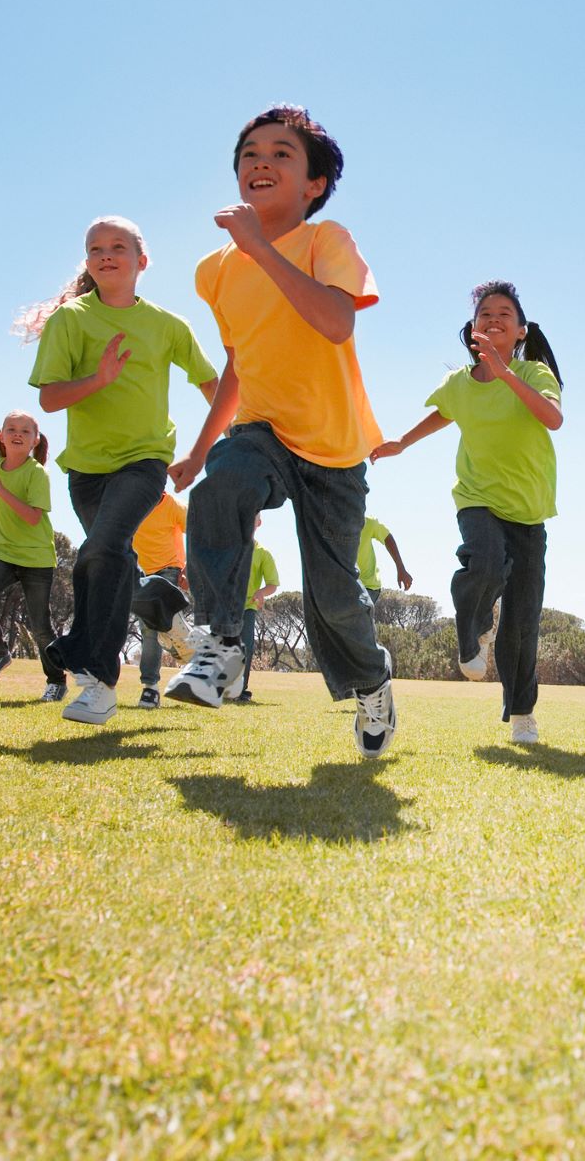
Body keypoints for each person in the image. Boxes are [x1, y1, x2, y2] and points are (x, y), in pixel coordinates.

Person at [167, 105, 397, 757]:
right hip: (261, 426)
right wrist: (198, 449)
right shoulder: (214, 272)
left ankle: (371, 681)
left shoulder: (328, 241)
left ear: (314, 185)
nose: (261, 161)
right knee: (222, 485)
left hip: (332, 445)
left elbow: (335, 322)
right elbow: (239, 362)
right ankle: (220, 647)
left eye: (282, 154)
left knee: (334, 596)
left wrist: (261, 250)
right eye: (249, 153)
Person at [24, 216, 218, 724]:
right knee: (112, 565)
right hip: (86, 471)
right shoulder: (71, 320)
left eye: (117, 247)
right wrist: (99, 377)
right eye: (95, 248)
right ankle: (167, 615)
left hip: (145, 460)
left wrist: (205, 449)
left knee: (102, 549)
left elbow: (212, 385)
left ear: (141, 261)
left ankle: (96, 681)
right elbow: (49, 398)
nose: (105, 255)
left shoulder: (168, 326)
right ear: (87, 261)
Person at [372, 280, 563, 744]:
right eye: (485, 314)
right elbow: (444, 413)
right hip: (477, 497)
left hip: (528, 511)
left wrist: (505, 373)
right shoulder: (458, 383)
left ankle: (521, 713)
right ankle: (472, 630)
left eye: (504, 314)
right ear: (472, 328)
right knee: (484, 558)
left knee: (521, 623)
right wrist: (401, 442)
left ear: (521, 331)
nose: (493, 319)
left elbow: (552, 418)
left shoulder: (536, 374)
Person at [0, 411, 67, 701]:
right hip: (3, 550)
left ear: (35, 440)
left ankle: (56, 681)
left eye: (26, 431)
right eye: (11, 428)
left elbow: (33, 518)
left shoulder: (37, 473)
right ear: (1, 436)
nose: (18, 434)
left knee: (40, 626)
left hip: (36, 557)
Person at [131, 489, 190, 709]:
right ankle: (151, 685)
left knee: (154, 628)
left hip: (168, 569)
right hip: (139, 572)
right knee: (150, 629)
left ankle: (150, 688)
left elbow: (197, 529)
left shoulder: (174, 505)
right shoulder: (131, 502)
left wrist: (190, 567)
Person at [239, 516, 280, 702]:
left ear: (259, 523)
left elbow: (272, 584)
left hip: (248, 607)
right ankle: (216, 687)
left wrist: (261, 592)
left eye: (253, 517)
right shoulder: (227, 547)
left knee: (245, 647)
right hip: (224, 606)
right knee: (221, 644)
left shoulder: (263, 554)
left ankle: (240, 690)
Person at [356, 515, 413, 611]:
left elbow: (387, 537)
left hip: (368, 586)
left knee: (355, 616)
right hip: (343, 583)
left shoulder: (368, 522)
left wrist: (401, 568)